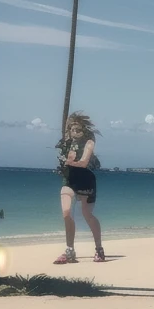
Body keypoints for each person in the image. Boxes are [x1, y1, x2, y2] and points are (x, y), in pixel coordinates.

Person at [54, 112, 105, 264]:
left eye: (78, 130)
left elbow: (83, 162)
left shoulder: (89, 142)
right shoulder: (66, 142)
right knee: (66, 212)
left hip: (85, 180)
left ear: (84, 131)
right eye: (72, 130)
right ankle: (69, 250)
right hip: (69, 179)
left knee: (87, 214)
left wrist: (70, 162)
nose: (75, 133)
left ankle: (99, 249)